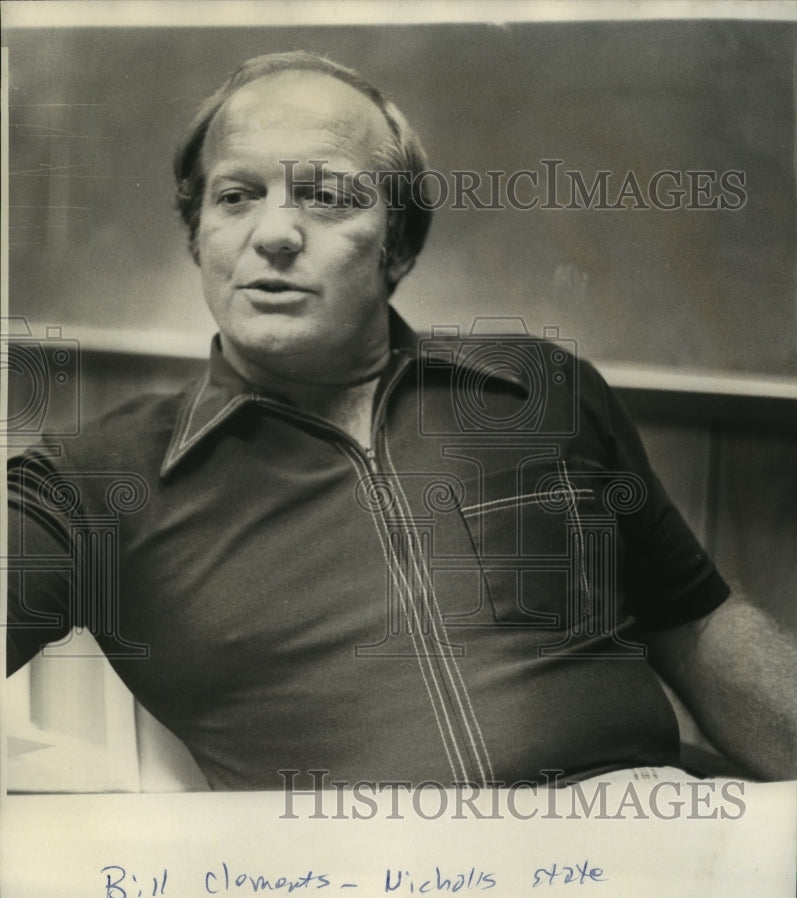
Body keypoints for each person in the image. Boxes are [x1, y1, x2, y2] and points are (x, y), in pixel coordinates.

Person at [6, 51, 797, 790]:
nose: (274, 233)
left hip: (645, 840)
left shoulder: (538, 390)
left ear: (397, 246)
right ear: (199, 235)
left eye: (324, 196)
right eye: (236, 196)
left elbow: (697, 621)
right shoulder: (90, 484)